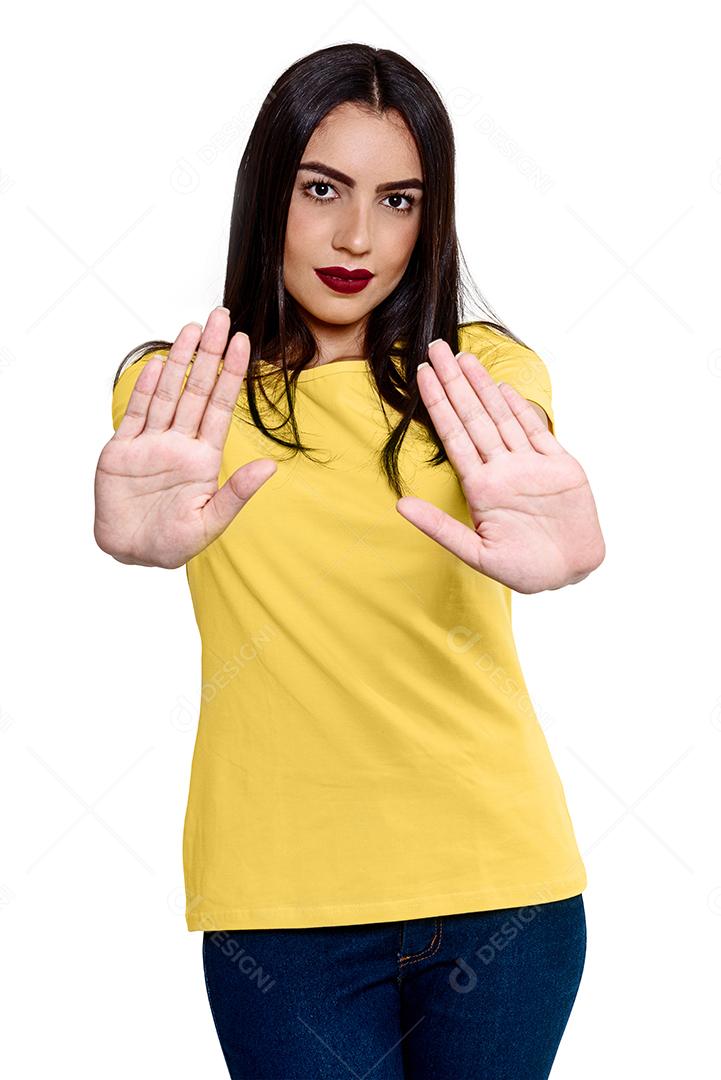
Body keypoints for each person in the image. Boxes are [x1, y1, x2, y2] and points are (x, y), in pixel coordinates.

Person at [94, 43, 605, 1080]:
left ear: (432, 216)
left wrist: (569, 552)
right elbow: (148, 482)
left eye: (400, 200)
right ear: (265, 191)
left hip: (501, 892)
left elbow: (528, 457)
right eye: (321, 188)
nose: (358, 237)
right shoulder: (179, 395)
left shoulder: (480, 374)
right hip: (283, 915)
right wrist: (129, 542)